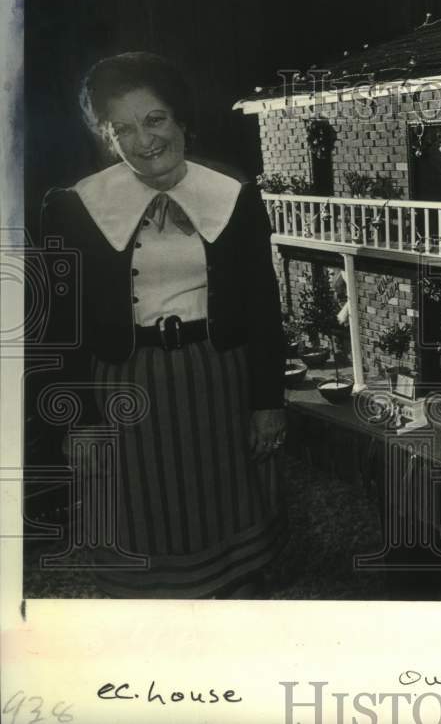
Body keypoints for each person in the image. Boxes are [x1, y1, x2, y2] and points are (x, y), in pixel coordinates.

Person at [39, 52, 287, 598]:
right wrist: (77, 419)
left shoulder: (235, 196)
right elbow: (60, 325)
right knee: (140, 512)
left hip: (217, 375)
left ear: (181, 121)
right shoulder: (73, 208)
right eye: (121, 128)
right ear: (106, 138)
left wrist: (267, 400)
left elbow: (263, 301)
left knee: (227, 505)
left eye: (154, 120)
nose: (143, 139)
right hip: (124, 386)